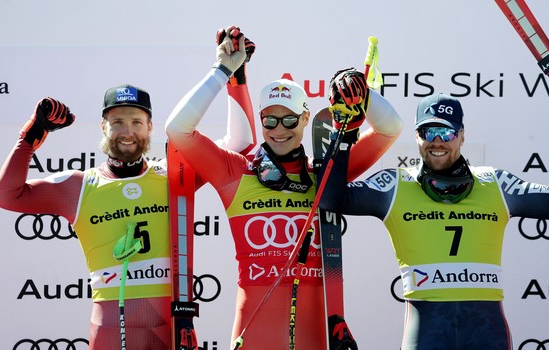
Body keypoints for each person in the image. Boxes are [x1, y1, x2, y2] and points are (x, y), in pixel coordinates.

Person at [0, 32, 257, 350]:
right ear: (103, 127)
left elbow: (239, 145)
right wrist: (32, 135)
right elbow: (6, 195)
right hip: (108, 330)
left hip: (172, 328)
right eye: (117, 122)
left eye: (136, 121)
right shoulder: (79, 185)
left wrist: (235, 76)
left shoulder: (173, 174)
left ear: (150, 127)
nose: (127, 131)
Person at [165, 26, 403, 349]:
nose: (279, 130)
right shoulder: (235, 172)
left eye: (289, 120)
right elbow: (177, 129)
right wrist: (222, 70)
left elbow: (390, 129)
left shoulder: (326, 174)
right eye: (270, 120)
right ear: (261, 120)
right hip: (251, 337)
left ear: (306, 119)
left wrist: (364, 93)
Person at [319, 93, 549, 350]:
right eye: (428, 132)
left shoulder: (494, 183)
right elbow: (331, 200)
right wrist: (345, 131)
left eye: (446, 132)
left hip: (486, 332)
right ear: (417, 136)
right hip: (427, 333)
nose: (437, 141)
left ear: (462, 135)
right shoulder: (395, 185)